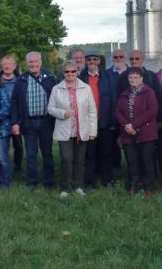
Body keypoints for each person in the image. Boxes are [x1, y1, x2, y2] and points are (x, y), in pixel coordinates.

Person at [48, 61, 97, 197]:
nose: (70, 74)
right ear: (63, 73)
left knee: (80, 160)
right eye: (67, 72)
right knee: (67, 159)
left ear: (78, 72)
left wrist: (92, 131)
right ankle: (65, 187)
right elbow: (50, 108)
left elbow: (92, 111)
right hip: (64, 130)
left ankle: (78, 185)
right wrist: (62, 113)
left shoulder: (86, 88)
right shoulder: (56, 89)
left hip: (82, 130)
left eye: (73, 71)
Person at [11, 51, 59, 189]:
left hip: (45, 122)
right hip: (28, 123)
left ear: (40, 62)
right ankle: (32, 181)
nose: (33, 64)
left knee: (47, 153)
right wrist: (15, 122)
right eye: (30, 62)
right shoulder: (21, 80)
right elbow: (14, 101)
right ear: (27, 63)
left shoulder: (50, 78)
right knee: (31, 154)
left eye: (35, 61)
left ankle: (49, 181)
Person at [116, 67, 159, 195]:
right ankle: (134, 184)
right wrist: (126, 126)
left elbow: (152, 111)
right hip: (127, 133)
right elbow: (118, 112)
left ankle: (148, 187)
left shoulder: (149, 92)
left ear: (141, 78)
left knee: (146, 160)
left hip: (146, 132)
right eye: (130, 77)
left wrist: (133, 125)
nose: (133, 80)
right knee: (132, 161)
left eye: (136, 77)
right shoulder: (124, 94)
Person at [80, 50, 117, 188]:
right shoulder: (81, 77)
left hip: (104, 121)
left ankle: (108, 180)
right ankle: (89, 181)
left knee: (107, 152)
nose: (92, 62)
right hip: (87, 122)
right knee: (89, 154)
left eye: (95, 59)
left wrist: (113, 121)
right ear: (85, 62)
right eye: (89, 60)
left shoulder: (108, 76)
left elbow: (114, 99)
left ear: (99, 61)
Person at [0, 55, 24, 178]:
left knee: (18, 145)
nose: (7, 66)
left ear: (14, 66)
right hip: (1, 120)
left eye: (10, 64)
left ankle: (18, 167)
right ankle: (4, 169)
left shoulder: (20, 81)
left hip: (16, 119)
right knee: (3, 146)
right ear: (1, 66)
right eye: (5, 64)